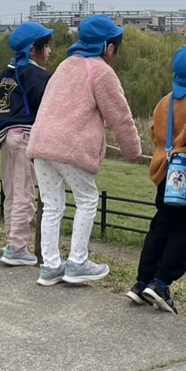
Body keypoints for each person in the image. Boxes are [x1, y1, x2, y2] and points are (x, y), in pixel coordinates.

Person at [28, 15, 143, 287]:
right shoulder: (100, 71)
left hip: (42, 144)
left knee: (52, 205)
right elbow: (120, 116)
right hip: (71, 145)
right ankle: (78, 261)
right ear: (108, 47)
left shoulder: (65, 65)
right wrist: (132, 150)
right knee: (88, 199)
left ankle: (50, 265)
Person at [129, 44, 186, 312]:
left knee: (161, 225)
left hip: (166, 171)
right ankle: (162, 282)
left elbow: (154, 134)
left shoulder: (165, 102)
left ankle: (142, 281)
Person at [0, 21, 54, 266]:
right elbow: (49, 108)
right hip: (24, 138)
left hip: (6, 140)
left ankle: (12, 242)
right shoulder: (38, 76)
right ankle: (17, 247)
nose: (50, 51)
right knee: (24, 193)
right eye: (47, 46)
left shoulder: (5, 75)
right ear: (33, 50)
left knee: (11, 192)